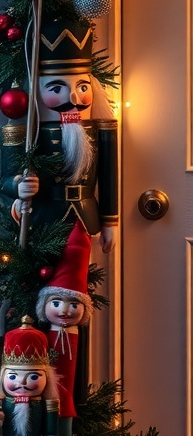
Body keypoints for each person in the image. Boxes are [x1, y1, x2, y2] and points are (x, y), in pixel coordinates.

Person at [0, 18, 118, 260]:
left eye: (83, 87)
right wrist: (19, 187)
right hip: (43, 218)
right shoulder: (27, 130)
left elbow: (108, 178)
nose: (73, 96)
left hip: (85, 218)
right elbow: (6, 178)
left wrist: (110, 221)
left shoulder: (100, 129)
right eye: (56, 89)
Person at [36, 220, 93, 436]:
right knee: (55, 415)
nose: (65, 311)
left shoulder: (74, 333)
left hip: (66, 397)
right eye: (56, 303)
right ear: (45, 304)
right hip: (47, 394)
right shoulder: (47, 334)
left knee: (67, 412)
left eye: (73, 305)